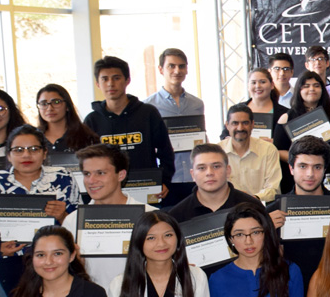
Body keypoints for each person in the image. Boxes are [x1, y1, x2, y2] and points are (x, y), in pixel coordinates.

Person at [0, 125, 82, 295]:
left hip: (54, 259)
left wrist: (63, 216)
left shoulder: (62, 177)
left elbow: (79, 226)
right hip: (9, 259)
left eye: (33, 149)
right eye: (18, 150)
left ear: (45, 153)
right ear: (9, 154)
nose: (26, 155)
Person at [62, 144, 158, 292]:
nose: (91, 180)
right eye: (87, 174)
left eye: (100, 173)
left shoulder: (151, 216)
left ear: (121, 175)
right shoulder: (72, 221)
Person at [83, 56, 173, 201]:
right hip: (107, 194)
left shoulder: (148, 113)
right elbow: (87, 161)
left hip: (147, 189)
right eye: (104, 79)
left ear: (127, 80)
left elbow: (166, 152)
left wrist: (164, 180)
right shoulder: (92, 120)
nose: (110, 84)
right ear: (97, 84)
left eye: (116, 78)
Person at [281, 136, 330, 295]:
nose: (310, 174)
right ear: (291, 168)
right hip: (291, 293)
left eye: (317, 167)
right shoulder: (275, 212)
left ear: (325, 169)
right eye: (302, 166)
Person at [273, 71, 330, 188]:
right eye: (306, 86)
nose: (312, 89)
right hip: (301, 176)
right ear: (299, 90)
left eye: (316, 85)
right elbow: (278, 151)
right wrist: (300, 159)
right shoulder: (286, 118)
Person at [166, 143, 265, 223]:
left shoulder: (252, 206)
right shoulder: (177, 216)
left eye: (216, 166)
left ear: (228, 170)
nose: (209, 173)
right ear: (192, 174)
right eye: (201, 168)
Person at [218, 103, 282, 203]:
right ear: (227, 125)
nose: (240, 128)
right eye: (235, 123)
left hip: (259, 208)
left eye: (245, 123)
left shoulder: (268, 150)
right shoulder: (217, 152)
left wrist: (253, 199)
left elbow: (274, 189)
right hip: (226, 209)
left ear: (252, 124)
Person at [35, 84, 99, 153]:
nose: (49, 108)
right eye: (44, 103)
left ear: (67, 106)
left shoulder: (87, 138)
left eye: (56, 102)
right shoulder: (34, 138)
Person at [142, 48, 205, 117]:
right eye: (171, 66)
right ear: (161, 70)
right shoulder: (147, 106)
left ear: (186, 69)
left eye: (181, 66)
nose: (177, 71)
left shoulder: (197, 104)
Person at [245, 67, 287, 132]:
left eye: (262, 82)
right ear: (248, 86)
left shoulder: (285, 113)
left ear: (272, 85)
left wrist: (276, 141)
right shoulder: (237, 110)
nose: (258, 86)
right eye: (253, 83)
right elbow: (225, 136)